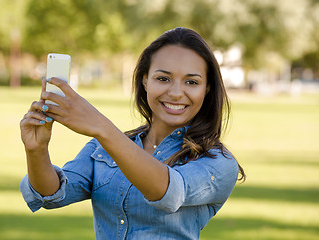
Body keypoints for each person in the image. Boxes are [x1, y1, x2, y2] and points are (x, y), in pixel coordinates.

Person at [20, 27, 245, 239]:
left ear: (207, 89)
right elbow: (52, 194)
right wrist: (36, 150)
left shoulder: (218, 163)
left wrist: (101, 126)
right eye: (163, 78)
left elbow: (169, 192)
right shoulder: (103, 147)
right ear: (145, 80)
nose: (176, 92)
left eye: (191, 82)